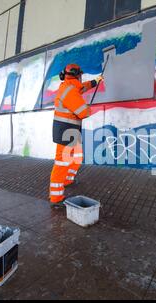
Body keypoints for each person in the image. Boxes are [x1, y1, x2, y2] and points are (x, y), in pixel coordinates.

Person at [49, 63, 103, 209]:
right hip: (65, 132)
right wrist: (88, 108)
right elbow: (83, 113)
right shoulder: (70, 91)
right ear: (77, 74)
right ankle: (56, 197)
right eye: (81, 74)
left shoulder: (70, 86)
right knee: (62, 163)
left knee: (77, 157)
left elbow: (82, 87)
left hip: (71, 130)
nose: (81, 77)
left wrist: (95, 81)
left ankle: (68, 180)